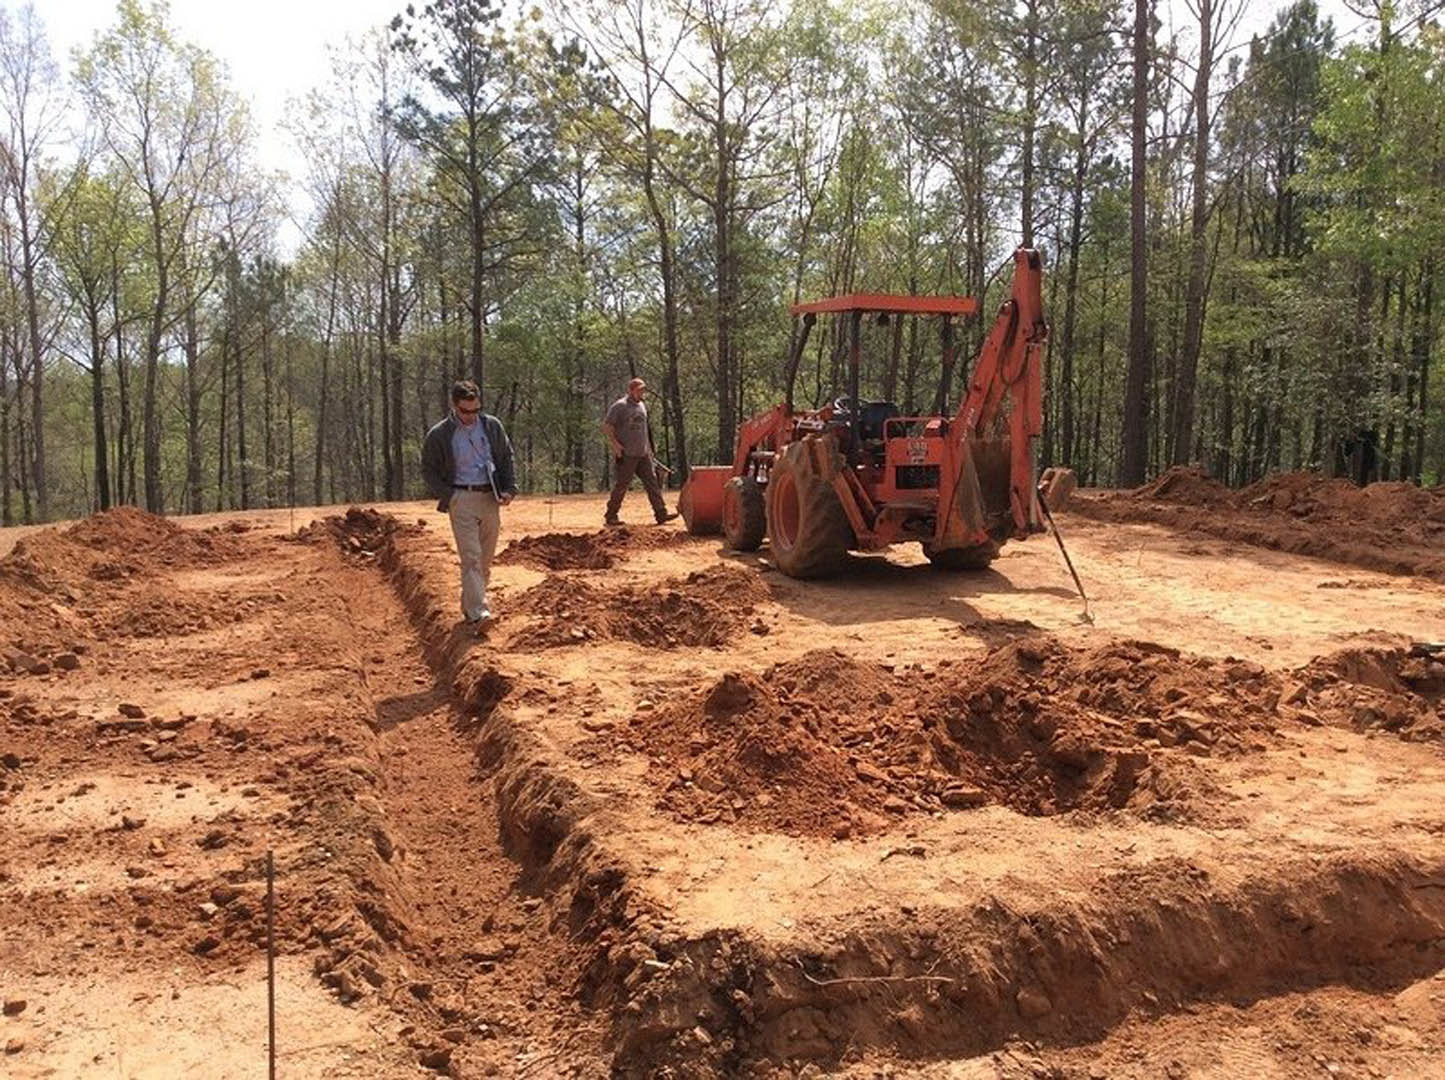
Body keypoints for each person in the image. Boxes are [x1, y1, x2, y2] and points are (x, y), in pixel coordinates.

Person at [421, 380, 517, 626]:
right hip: (461, 499)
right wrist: (449, 496)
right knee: (471, 557)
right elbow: (428, 470)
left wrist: (508, 488)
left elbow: (506, 457)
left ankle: (469, 605)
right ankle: (478, 613)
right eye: (466, 411)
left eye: (476, 410)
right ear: (455, 406)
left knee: (485, 561)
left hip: (490, 497)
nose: (471, 416)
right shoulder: (440, 434)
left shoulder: (491, 426)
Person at [602, 377, 677, 526]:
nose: (642, 392)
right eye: (639, 390)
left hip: (643, 454)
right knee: (622, 485)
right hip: (627, 454)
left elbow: (644, 431)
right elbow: (607, 426)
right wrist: (616, 445)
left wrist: (649, 451)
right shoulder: (620, 406)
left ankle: (661, 514)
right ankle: (611, 515)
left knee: (652, 483)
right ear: (631, 390)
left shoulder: (642, 406)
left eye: (643, 390)